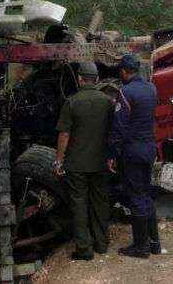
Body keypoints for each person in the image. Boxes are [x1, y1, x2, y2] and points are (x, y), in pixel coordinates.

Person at [54, 61, 115, 261]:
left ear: (80, 79)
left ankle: (84, 249)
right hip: (101, 162)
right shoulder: (107, 102)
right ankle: (102, 244)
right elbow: (113, 132)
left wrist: (59, 160)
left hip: (77, 164)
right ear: (96, 79)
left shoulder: (71, 102)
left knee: (79, 205)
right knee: (100, 202)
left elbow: (64, 135)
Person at [108, 54, 161, 259]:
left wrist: (112, 153)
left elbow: (119, 127)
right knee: (145, 194)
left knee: (136, 196)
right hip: (149, 148)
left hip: (132, 151)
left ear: (123, 72)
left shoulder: (125, 92)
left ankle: (141, 247)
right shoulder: (151, 88)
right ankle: (154, 243)